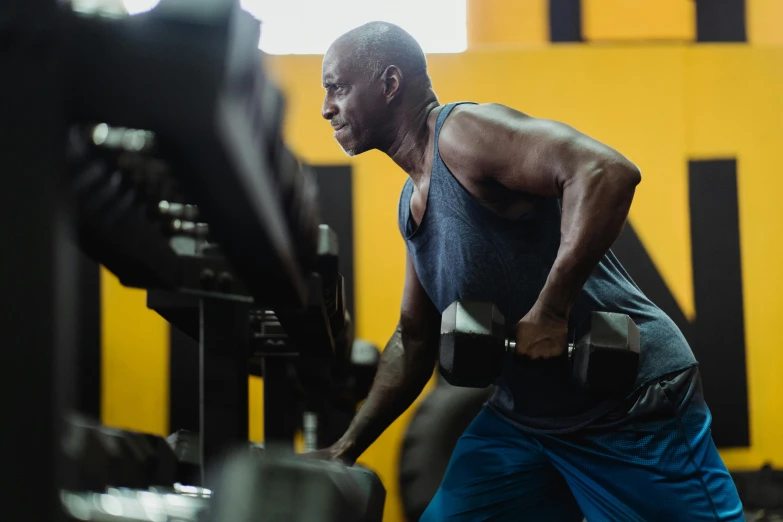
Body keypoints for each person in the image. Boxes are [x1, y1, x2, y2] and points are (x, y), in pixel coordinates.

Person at [317, 21, 744, 521]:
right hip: (526, 425)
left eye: (338, 88)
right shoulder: (412, 201)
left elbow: (605, 171)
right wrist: (343, 449)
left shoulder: (464, 136)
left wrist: (551, 309)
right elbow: (414, 340)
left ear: (389, 85)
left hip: (631, 410)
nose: (327, 108)